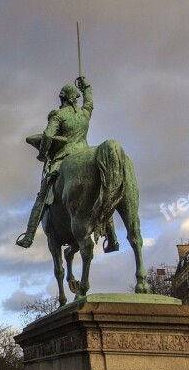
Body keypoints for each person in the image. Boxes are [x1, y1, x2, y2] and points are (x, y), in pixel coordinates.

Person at [16, 76, 118, 252]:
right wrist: (86, 88)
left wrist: (42, 154)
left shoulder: (59, 115)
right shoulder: (84, 114)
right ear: (74, 98)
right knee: (104, 191)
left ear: (62, 97)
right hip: (86, 153)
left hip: (64, 158)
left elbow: (47, 136)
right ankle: (112, 237)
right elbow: (89, 104)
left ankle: (29, 235)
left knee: (41, 196)